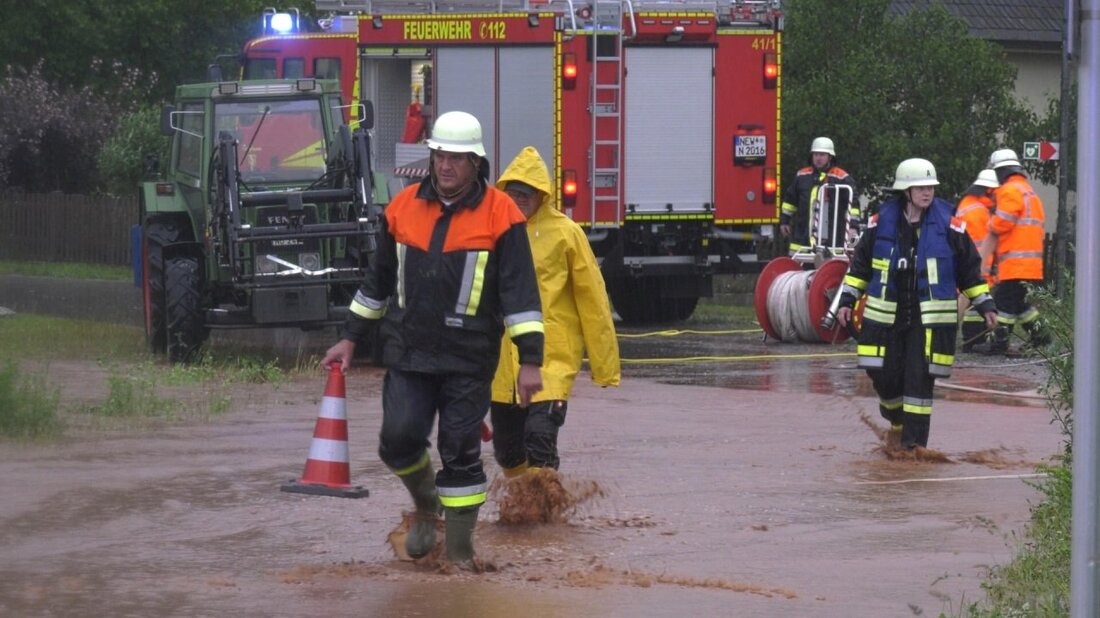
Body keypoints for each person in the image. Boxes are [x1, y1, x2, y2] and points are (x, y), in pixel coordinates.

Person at [321, 111, 545, 563]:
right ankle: (426, 508)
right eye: (440, 155)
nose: (445, 166)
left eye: (456, 158)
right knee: (397, 439)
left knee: (459, 450)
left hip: (470, 358)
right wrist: (349, 337)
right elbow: (377, 282)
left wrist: (530, 361)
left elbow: (520, 295)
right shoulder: (401, 208)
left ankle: (460, 559)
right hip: (409, 353)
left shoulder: (502, 215)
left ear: (475, 163)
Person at [835, 158, 996, 450]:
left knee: (919, 383)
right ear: (905, 191)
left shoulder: (951, 226)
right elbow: (859, 268)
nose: (927, 192)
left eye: (930, 187)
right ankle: (896, 419)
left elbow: (969, 270)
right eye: (920, 187)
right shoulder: (879, 223)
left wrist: (984, 304)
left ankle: (913, 450)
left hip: (928, 322)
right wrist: (848, 299)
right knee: (884, 376)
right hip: (887, 319)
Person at [489, 146, 621, 481]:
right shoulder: (492, 231)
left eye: (527, 193)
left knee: (540, 439)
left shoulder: (566, 234)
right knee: (507, 452)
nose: (519, 199)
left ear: (541, 195)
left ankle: (546, 516)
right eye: (513, 192)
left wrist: (605, 367)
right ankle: (523, 503)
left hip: (552, 361)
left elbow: (593, 301)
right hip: (502, 368)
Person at [984, 148, 1049, 354]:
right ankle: (1041, 336)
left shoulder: (1009, 190)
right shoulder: (1028, 191)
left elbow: (1003, 221)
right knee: (1019, 304)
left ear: (1000, 171)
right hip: (1030, 264)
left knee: (1003, 303)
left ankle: (999, 343)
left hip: (1015, 264)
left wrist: (991, 224)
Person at [779, 137, 859, 256]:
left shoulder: (842, 178)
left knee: (829, 269)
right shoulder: (802, 176)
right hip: (803, 235)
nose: (818, 158)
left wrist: (853, 226)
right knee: (799, 268)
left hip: (833, 236)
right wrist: (784, 220)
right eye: (815, 155)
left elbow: (853, 205)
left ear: (830, 157)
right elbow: (790, 200)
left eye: (822, 155)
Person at [954, 168, 999, 352]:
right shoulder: (979, 211)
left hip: (966, 265)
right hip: (976, 269)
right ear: (988, 190)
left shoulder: (968, 204)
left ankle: (969, 338)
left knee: (971, 305)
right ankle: (961, 336)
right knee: (970, 300)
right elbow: (984, 244)